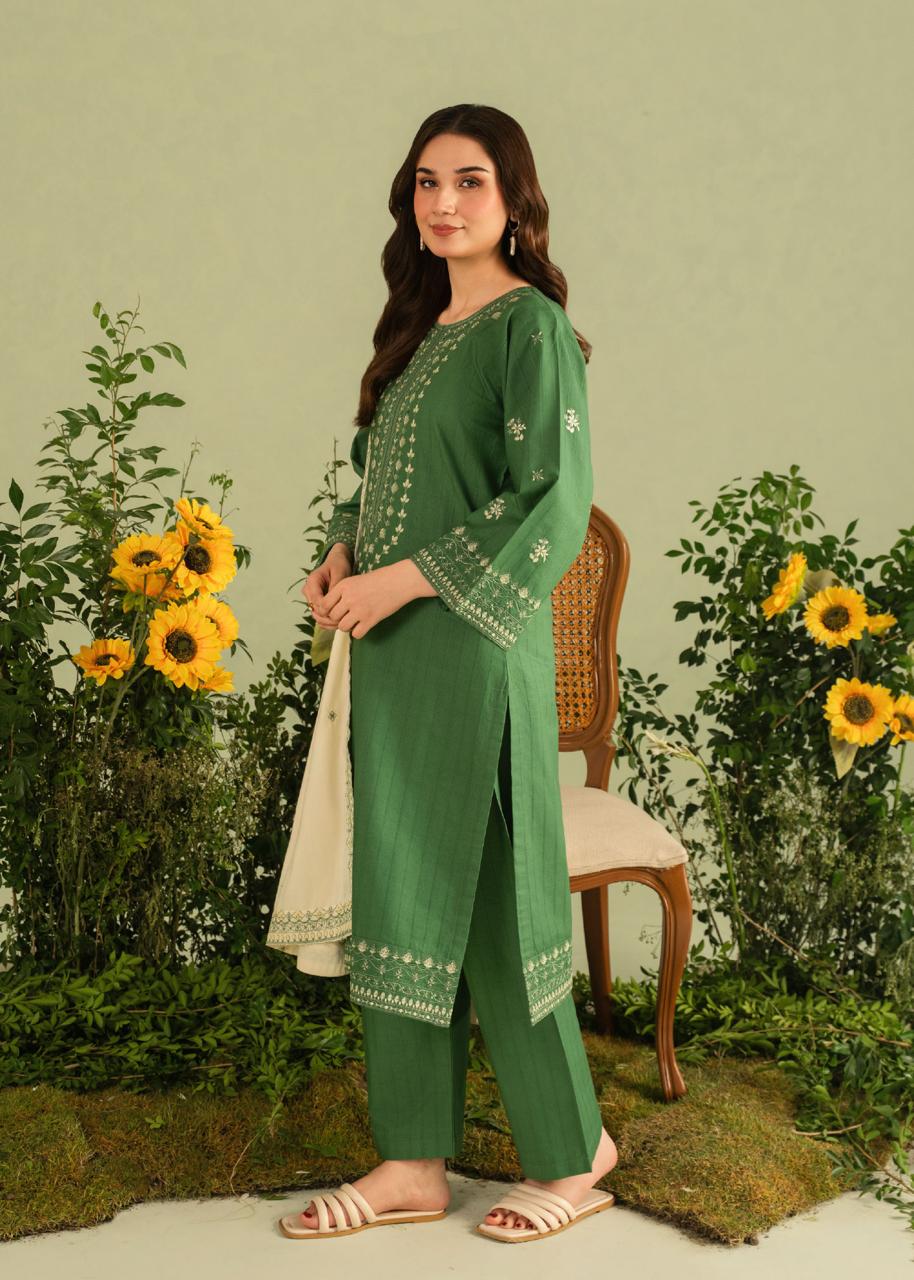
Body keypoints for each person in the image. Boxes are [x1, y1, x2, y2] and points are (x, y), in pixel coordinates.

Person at [284, 103, 618, 1243]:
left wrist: (403, 581)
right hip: (389, 652)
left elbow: (549, 502)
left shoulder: (532, 329)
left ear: (514, 199)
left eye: (469, 181)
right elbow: (378, 477)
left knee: (497, 900)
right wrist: (342, 554)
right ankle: (411, 1161)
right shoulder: (420, 329)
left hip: (473, 644)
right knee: (403, 892)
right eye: (426, 182)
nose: (443, 202)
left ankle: (571, 1157)